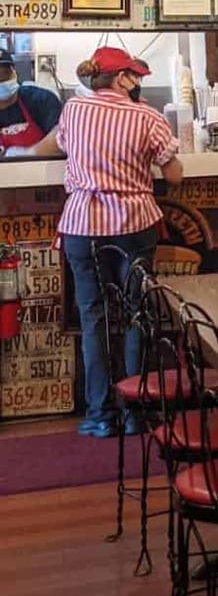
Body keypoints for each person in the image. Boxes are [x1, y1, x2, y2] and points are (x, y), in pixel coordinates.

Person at [33, 46, 184, 437]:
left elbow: (56, 146)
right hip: (133, 223)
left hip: (83, 224)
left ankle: (100, 416)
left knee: (93, 318)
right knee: (137, 315)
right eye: (135, 76)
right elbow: (174, 175)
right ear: (121, 79)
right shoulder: (147, 116)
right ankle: (135, 412)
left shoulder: (73, 109)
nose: (138, 82)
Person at [0, 48, 63, 157]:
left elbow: (61, 136)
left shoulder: (42, 100)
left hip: (40, 167)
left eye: (5, 75)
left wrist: (29, 153)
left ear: (15, 73)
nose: (1, 81)